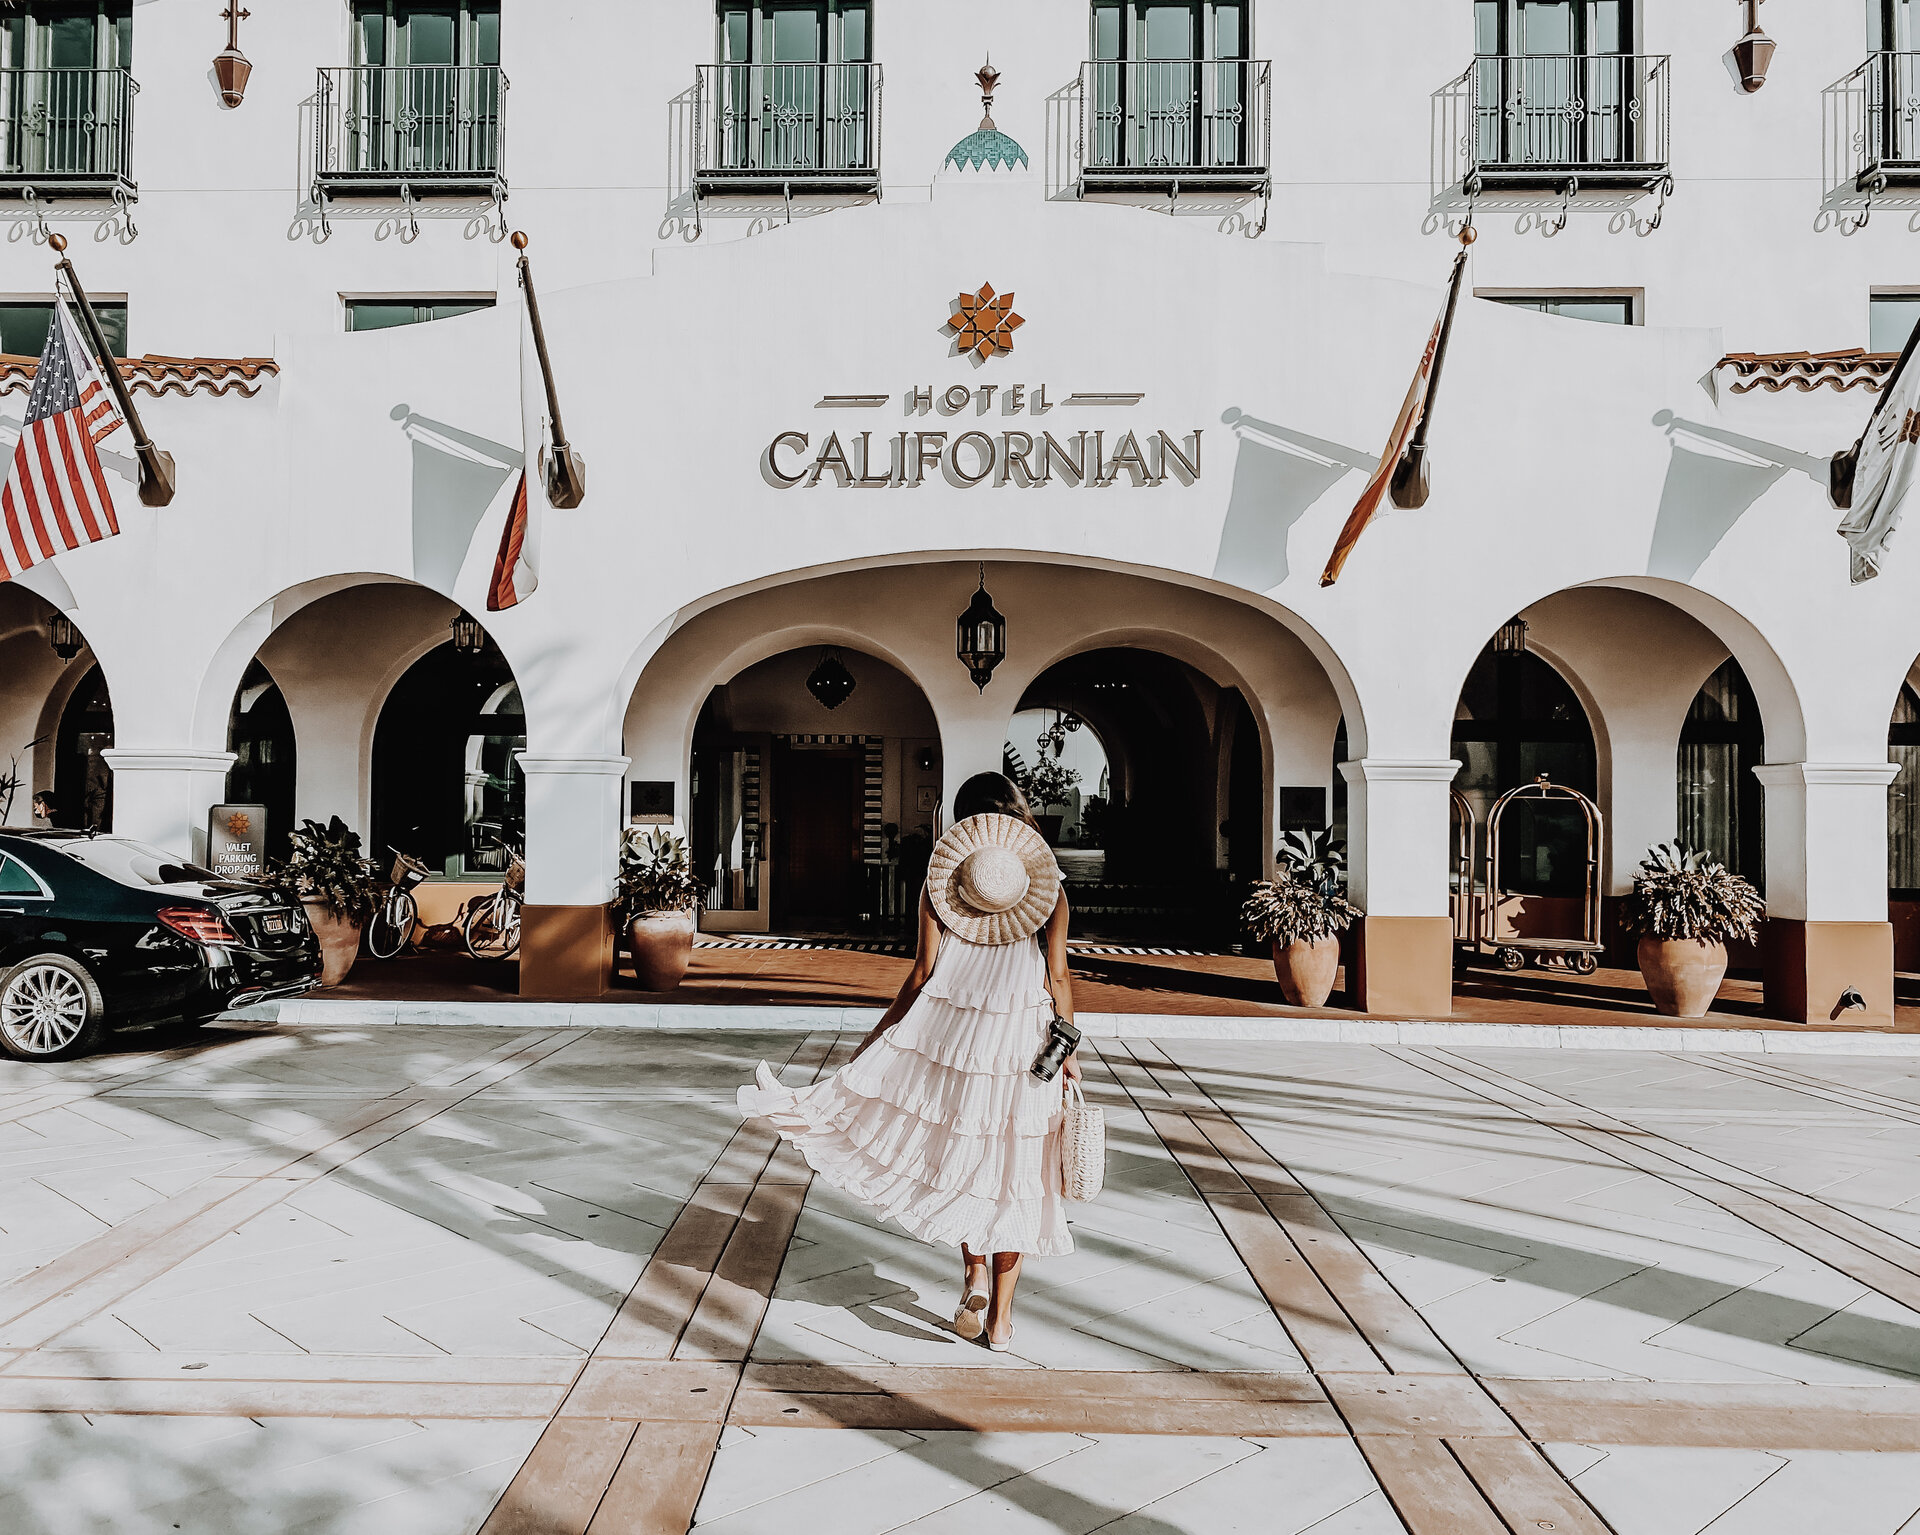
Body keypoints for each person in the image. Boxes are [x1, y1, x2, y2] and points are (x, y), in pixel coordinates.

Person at [738, 771, 1078, 1352]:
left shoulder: (940, 888)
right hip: (1025, 1052)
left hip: (955, 1048)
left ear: (966, 824)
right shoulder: (1048, 892)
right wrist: (1068, 1052)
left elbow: (920, 977)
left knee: (964, 1161)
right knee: (1014, 1177)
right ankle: (1001, 1321)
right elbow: (1060, 977)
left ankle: (971, 1277)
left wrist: (877, 1038)